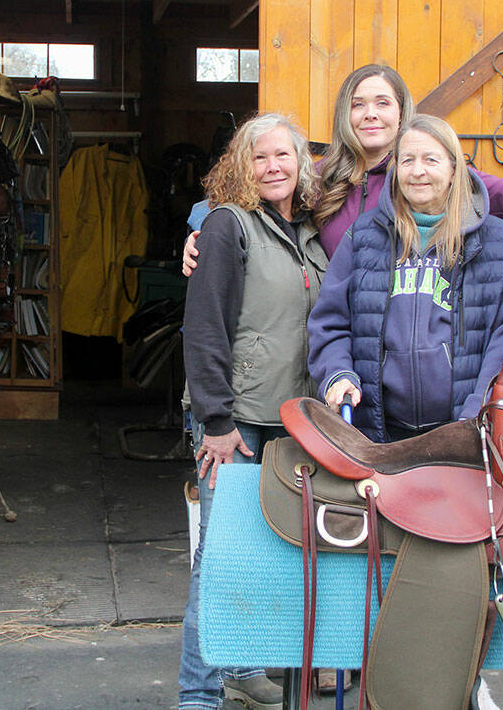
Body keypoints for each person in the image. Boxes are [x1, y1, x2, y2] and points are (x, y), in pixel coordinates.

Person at [179, 112, 328, 710]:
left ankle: (240, 666)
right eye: (258, 157)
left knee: (268, 552)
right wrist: (216, 420)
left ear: (301, 163)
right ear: (240, 167)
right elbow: (203, 326)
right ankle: (198, 692)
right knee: (220, 557)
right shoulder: (225, 225)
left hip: (291, 419)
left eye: (282, 155)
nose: (272, 167)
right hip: (235, 419)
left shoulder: (311, 232)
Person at [183, 64, 503, 272]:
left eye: (382, 103)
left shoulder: (424, 175)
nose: (370, 114)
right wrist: (202, 236)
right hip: (332, 336)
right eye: (358, 105)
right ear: (345, 114)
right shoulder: (319, 177)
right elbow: (234, 202)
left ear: (401, 112)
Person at [307, 114, 503, 441]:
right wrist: (338, 373)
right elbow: (330, 320)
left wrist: (477, 414)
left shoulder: (495, 240)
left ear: (453, 169)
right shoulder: (364, 236)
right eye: (407, 160)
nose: (418, 171)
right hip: (378, 431)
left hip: (464, 428)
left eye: (431, 160)